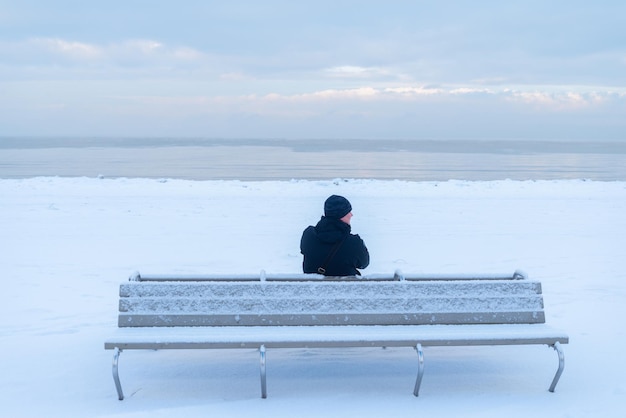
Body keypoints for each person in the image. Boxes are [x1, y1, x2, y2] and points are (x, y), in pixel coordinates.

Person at [300, 195, 370, 277]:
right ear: (341, 215)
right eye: (348, 212)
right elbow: (364, 264)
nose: (351, 215)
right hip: (345, 289)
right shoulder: (353, 242)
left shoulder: (309, 235)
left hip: (313, 288)